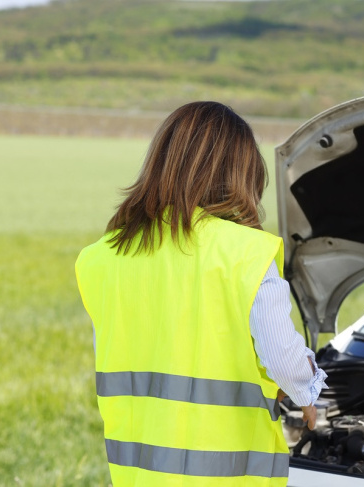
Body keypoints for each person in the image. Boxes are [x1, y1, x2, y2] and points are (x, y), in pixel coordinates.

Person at [75, 101, 327, 486]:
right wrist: (307, 393)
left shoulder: (102, 257)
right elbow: (281, 357)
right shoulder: (245, 252)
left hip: (137, 476)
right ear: (239, 175)